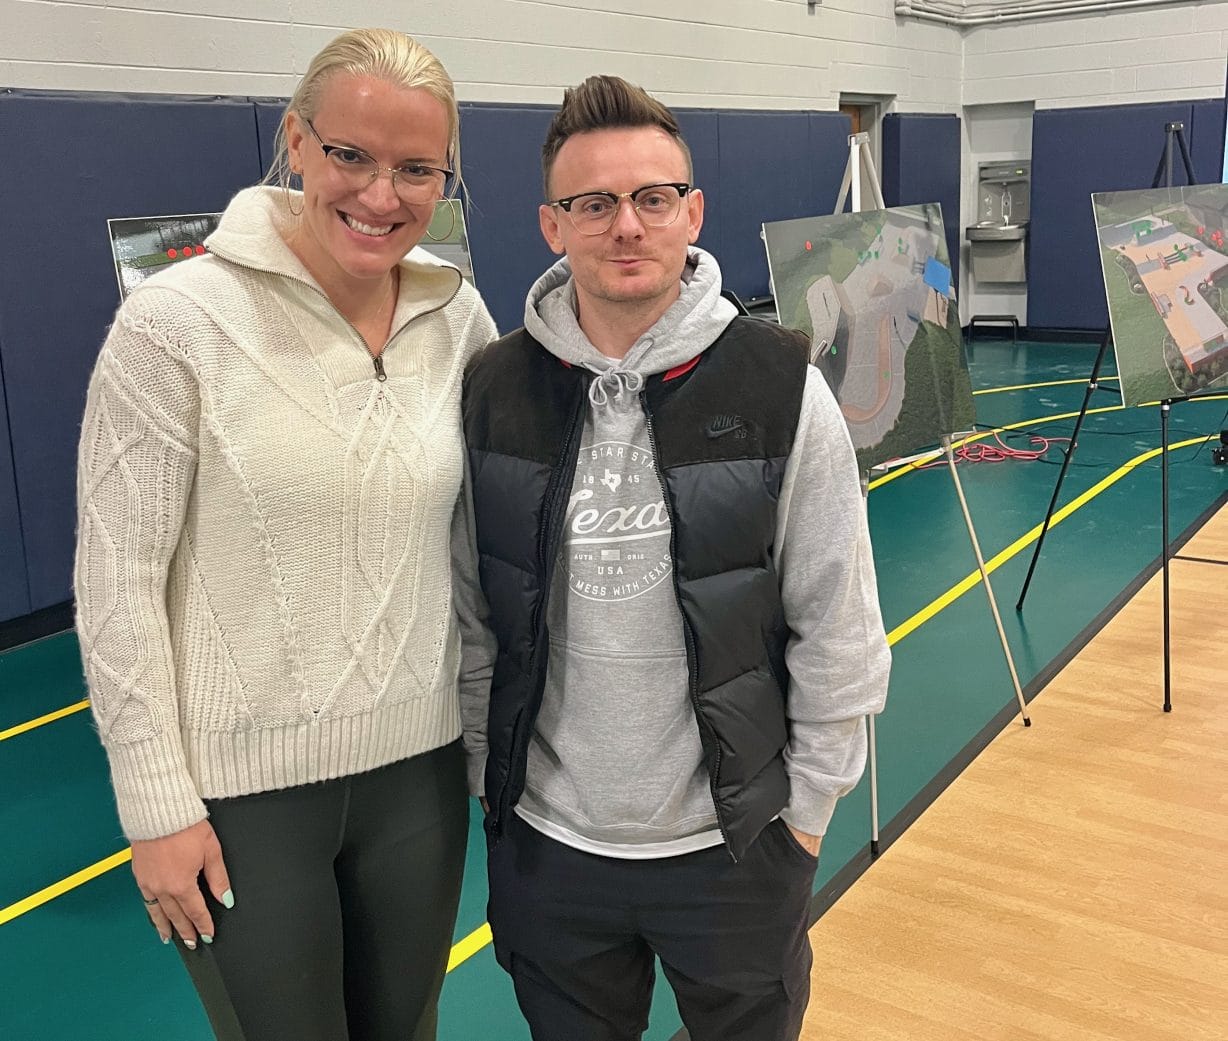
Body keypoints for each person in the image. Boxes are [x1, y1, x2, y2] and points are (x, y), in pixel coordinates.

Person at [74, 28, 495, 1041]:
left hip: (419, 776)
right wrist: (155, 804)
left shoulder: (458, 318)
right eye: (350, 155)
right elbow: (116, 578)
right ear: (296, 143)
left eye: (414, 169)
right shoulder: (175, 326)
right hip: (238, 803)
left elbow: (485, 551)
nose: (380, 196)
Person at [459, 75, 891, 1041]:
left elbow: (840, 619)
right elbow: (471, 616)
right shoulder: (492, 388)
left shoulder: (780, 381)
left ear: (691, 212)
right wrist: (496, 784)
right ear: (550, 224)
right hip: (549, 850)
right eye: (594, 203)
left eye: (653, 198)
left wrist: (805, 816)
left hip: (736, 849)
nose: (627, 225)